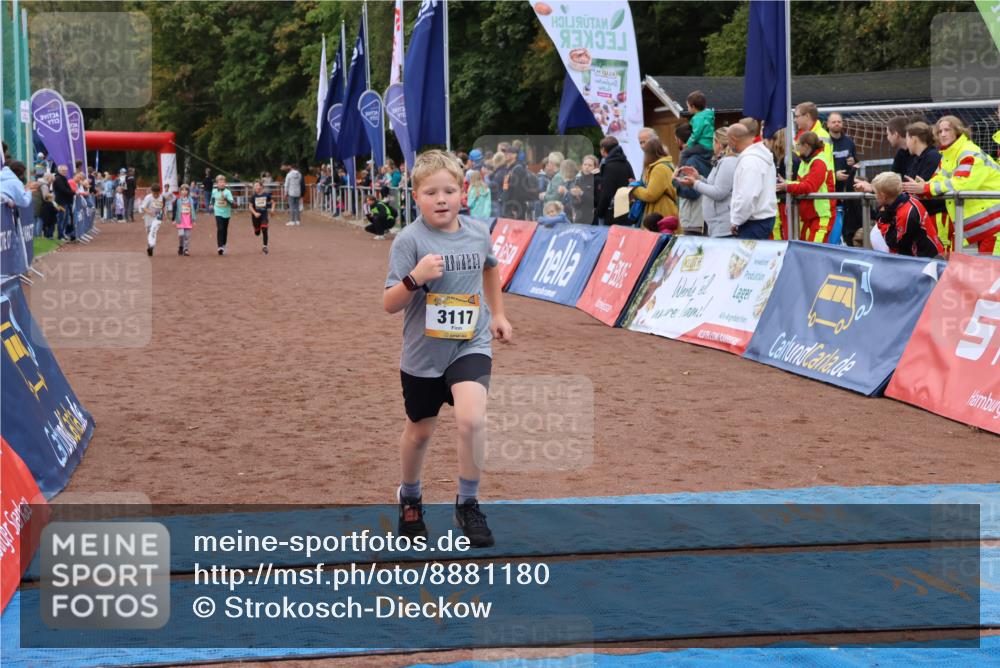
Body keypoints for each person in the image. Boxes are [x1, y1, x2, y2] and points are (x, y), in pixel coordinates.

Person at [382, 149, 512, 548]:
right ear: (415, 196)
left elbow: (490, 266)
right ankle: (411, 496)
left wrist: (498, 315)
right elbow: (389, 303)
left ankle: (468, 503)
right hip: (423, 355)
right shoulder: (409, 240)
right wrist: (414, 279)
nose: (441, 199)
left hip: (470, 343)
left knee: (472, 421)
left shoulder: (477, 231)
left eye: (449, 191)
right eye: (431, 192)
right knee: (419, 432)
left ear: (463, 193)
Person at [902, 115, 1000, 255]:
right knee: (988, 269)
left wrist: (926, 188)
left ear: (958, 131)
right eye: (940, 131)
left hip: (995, 224)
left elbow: (960, 183)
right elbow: (939, 178)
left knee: (992, 271)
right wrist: (924, 186)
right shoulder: (948, 156)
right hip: (989, 224)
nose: (943, 134)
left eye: (947, 130)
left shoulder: (969, 154)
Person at [681, 128, 738, 238]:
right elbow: (713, 186)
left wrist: (695, 184)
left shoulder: (728, 162)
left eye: (713, 141)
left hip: (724, 226)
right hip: (717, 226)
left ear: (718, 143)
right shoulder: (722, 161)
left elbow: (719, 192)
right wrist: (699, 178)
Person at [778, 132, 834, 243]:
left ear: (806, 146)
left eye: (798, 145)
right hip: (810, 216)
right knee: (807, 251)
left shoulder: (819, 162)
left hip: (821, 215)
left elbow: (809, 187)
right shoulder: (806, 162)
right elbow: (802, 183)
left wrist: (787, 186)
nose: (797, 149)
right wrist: (786, 183)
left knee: (815, 253)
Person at [871, 172, 943, 258]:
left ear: (883, 196)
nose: (874, 196)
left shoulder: (906, 213)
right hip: (925, 256)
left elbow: (893, 243)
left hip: (926, 260)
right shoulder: (905, 200)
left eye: (875, 193)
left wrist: (882, 219)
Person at [899, 122, 948, 250]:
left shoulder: (933, 157)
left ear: (914, 139)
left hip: (937, 216)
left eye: (907, 138)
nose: (906, 143)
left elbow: (925, 186)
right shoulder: (917, 159)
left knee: (942, 254)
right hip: (925, 216)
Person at [728, 123, 777, 239]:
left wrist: (736, 220)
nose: (728, 145)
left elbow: (747, 197)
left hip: (753, 223)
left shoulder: (749, 161)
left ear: (734, 140)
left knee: (748, 257)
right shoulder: (760, 157)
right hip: (760, 220)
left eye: (728, 140)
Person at [827, 113, 862, 245]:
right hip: (831, 190)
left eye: (839, 122)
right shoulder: (825, 142)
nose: (837, 124)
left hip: (847, 190)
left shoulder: (848, 142)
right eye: (834, 122)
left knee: (848, 226)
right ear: (828, 124)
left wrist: (853, 161)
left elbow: (856, 162)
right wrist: (834, 175)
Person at [674, 123, 711, 235]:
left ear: (679, 140)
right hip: (704, 217)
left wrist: (675, 181)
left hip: (693, 219)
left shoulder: (690, 161)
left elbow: (692, 192)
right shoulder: (705, 156)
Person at [631, 137, 677, 224]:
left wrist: (634, 189)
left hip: (661, 214)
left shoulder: (659, 168)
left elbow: (651, 195)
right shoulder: (664, 165)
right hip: (664, 212)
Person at [594, 136, 634, 225]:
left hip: (611, 214)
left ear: (603, 149)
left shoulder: (608, 166)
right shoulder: (626, 163)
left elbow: (606, 193)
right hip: (626, 210)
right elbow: (633, 183)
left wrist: (599, 212)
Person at [139, 183, 167, 256]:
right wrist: (149, 212)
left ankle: (151, 246)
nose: (156, 195)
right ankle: (150, 246)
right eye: (154, 194)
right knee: (149, 232)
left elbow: (163, 208)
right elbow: (143, 207)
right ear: (152, 192)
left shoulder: (162, 198)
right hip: (148, 217)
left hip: (157, 218)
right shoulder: (148, 197)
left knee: (153, 231)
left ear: (159, 192)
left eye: (157, 194)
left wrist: (164, 215)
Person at [570, 155, 598, 225]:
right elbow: (573, 202)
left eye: (590, 165)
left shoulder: (597, 179)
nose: (587, 167)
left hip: (591, 218)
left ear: (595, 167)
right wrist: (574, 197)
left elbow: (597, 200)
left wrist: (582, 193)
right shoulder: (578, 179)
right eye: (585, 164)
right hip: (579, 217)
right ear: (582, 166)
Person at [211, 175, 234, 255]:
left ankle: (224, 245)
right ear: (217, 183)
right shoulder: (214, 191)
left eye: (223, 182)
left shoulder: (228, 192)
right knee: (220, 228)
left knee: (224, 230)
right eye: (219, 182)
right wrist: (211, 204)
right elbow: (213, 198)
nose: (221, 183)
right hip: (218, 212)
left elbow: (232, 203)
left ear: (225, 183)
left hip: (226, 213)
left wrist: (226, 199)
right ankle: (220, 246)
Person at [249, 181, 274, 254]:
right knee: (257, 233)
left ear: (261, 187)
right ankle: (256, 229)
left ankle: (265, 246)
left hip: (264, 215)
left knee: (264, 229)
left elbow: (273, 202)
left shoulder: (266, 195)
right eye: (255, 186)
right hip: (255, 217)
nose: (256, 187)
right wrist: (255, 213)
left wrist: (272, 209)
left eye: (257, 185)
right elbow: (250, 206)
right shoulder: (253, 196)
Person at [172, 183, 197, 256]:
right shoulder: (178, 200)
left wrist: (194, 220)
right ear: (180, 191)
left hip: (188, 220)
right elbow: (174, 210)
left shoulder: (190, 200)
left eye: (186, 190)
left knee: (187, 236)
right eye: (182, 190)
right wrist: (173, 219)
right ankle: (181, 246)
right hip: (180, 220)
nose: (184, 191)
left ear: (188, 192)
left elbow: (193, 210)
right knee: (181, 234)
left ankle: (186, 249)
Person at [52, 164, 76, 240]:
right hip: (60, 202)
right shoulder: (58, 178)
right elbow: (63, 189)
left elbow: (68, 189)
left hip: (66, 201)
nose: (65, 172)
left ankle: (63, 234)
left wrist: (72, 192)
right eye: (63, 170)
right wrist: (73, 193)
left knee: (65, 219)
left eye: (66, 170)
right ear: (59, 171)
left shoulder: (64, 178)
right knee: (61, 219)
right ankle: (60, 235)